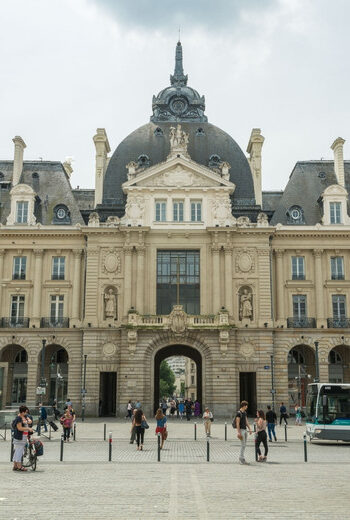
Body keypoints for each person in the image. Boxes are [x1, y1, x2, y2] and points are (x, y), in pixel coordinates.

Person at [12, 405, 34, 471]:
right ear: (22, 412)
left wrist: (27, 421)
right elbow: (20, 428)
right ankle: (19, 466)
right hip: (19, 437)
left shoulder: (24, 417)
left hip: (23, 436)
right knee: (19, 451)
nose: (26, 413)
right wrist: (28, 428)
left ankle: (15, 465)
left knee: (17, 451)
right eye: (26, 412)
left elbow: (30, 421)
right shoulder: (18, 418)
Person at [235, 400, 252, 464]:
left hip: (245, 430)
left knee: (244, 445)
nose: (247, 407)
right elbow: (237, 423)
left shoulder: (244, 413)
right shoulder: (238, 413)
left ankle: (241, 457)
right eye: (246, 406)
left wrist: (249, 429)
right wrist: (238, 432)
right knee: (243, 445)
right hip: (241, 430)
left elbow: (246, 421)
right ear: (244, 406)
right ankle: (241, 458)